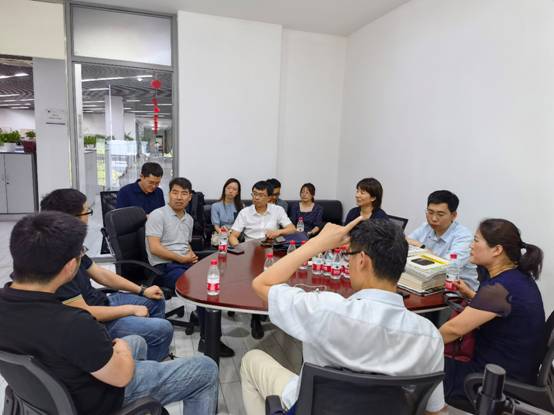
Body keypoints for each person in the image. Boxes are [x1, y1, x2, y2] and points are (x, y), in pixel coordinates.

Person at [0, 212, 218, 415]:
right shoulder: (73, 322)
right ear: (70, 266)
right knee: (206, 369)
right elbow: (121, 376)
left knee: (138, 341)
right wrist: (121, 348)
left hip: (52, 394)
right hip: (98, 400)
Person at [241, 218, 445, 415]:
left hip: (315, 406)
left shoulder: (325, 310)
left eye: (349, 256)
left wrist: (316, 244)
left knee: (251, 360)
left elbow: (261, 284)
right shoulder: (429, 336)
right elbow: (434, 410)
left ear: (362, 260)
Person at [40, 188, 172, 362]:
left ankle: (144, 353)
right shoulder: (56, 261)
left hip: (102, 302)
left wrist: (142, 290)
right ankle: (143, 367)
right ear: (72, 218)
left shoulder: (71, 245)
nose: (88, 217)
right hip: (94, 323)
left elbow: (101, 274)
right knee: (163, 329)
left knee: (156, 300)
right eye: (87, 211)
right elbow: (83, 312)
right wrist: (130, 309)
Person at [440, 219, 545, 406]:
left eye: (476, 240)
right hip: (513, 370)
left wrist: (417, 346)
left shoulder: (499, 289)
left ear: (497, 250)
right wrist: (471, 294)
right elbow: (502, 310)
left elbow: (453, 330)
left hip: (494, 380)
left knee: (424, 371)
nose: (471, 246)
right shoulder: (516, 277)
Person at [146, 177, 235, 358]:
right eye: (175, 192)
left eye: (184, 193)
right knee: (205, 288)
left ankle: (198, 315)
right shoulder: (157, 215)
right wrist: (182, 258)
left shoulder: (188, 219)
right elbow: (154, 248)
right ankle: (208, 341)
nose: (179, 197)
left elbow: (184, 244)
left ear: (189, 197)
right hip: (163, 267)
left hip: (183, 262)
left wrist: (192, 256)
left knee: (216, 277)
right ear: (169, 194)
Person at [407, 190, 479, 290]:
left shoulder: (464, 236)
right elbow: (405, 244)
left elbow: (447, 267)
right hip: (429, 284)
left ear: (453, 215)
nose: (433, 218)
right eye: (430, 212)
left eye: (440, 214)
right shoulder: (426, 227)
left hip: (458, 291)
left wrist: (422, 248)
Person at [229, 180, 296, 247]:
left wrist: (278, 232)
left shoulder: (278, 210)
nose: (256, 197)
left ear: (269, 198)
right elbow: (233, 236)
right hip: (250, 248)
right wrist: (240, 249)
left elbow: (292, 229)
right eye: (254, 194)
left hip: (271, 247)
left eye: (261, 195)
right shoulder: (244, 212)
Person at [211, 178, 244, 244]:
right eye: (228, 188)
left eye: (234, 189)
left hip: (236, 234)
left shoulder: (241, 206)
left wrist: (232, 233)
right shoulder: (215, 206)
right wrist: (223, 233)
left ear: (237, 192)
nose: (231, 191)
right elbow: (216, 226)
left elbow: (241, 225)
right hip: (222, 233)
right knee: (220, 240)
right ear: (224, 189)